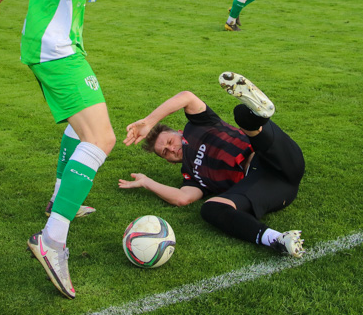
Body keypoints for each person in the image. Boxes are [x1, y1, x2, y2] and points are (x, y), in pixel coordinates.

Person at [0, 0, 188, 299]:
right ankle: (52, 238)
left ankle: (62, 198)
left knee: (81, 128)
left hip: (44, 47)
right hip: (57, 51)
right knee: (103, 137)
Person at [121, 72, 305, 258]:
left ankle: (259, 114)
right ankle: (278, 240)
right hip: (268, 188)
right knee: (210, 208)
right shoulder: (191, 176)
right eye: (165, 153)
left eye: (170, 142)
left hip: (277, 158)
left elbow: (186, 97)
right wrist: (146, 182)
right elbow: (181, 198)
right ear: (167, 160)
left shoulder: (197, 125)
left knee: (242, 115)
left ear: (178, 132)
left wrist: (149, 122)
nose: (171, 150)